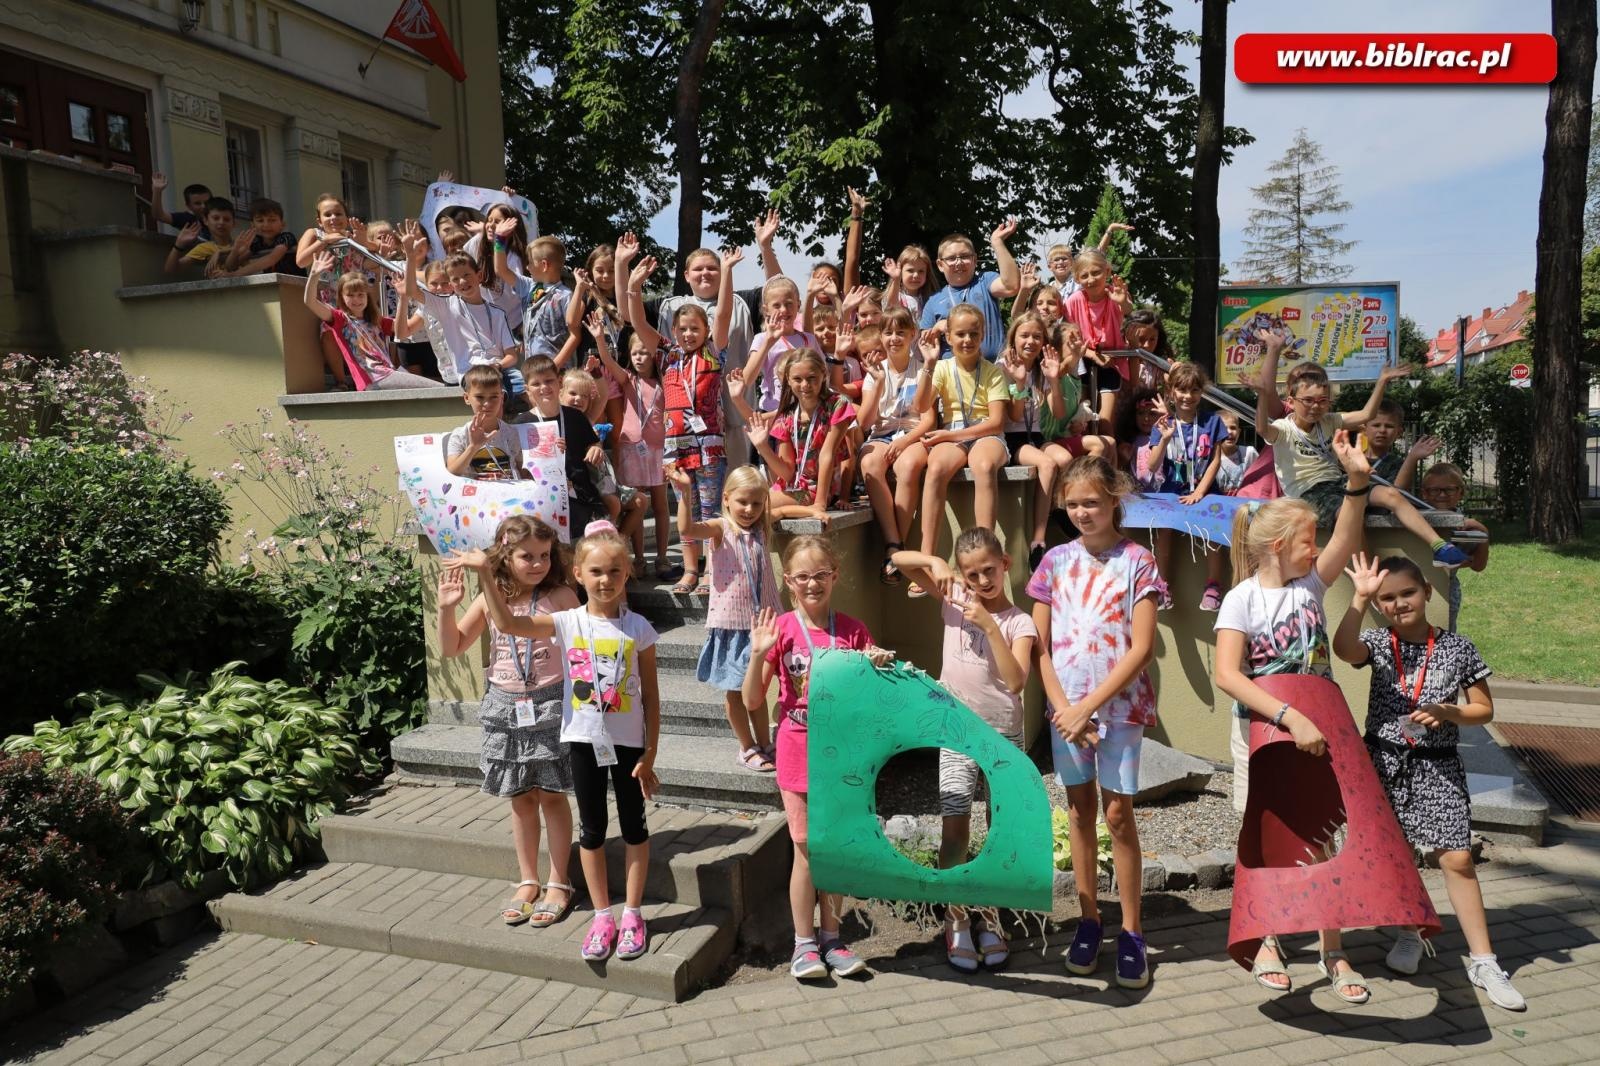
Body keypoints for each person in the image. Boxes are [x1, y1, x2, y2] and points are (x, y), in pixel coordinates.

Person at [448, 521, 661, 963]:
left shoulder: (639, 628)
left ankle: (632, 914)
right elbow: (504, 622)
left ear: (628, 574)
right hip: (580, 740)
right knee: (591, 828)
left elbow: (653, 698)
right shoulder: (566, 621)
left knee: (635, 826)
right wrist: (485, 574)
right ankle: (602, 915)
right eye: (596, 572)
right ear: (580, 574)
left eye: (615, 572)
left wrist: (651, 752)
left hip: (626, 746)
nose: (606, 580)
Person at [1213, 430, 1376, 1003]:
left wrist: (1356, 483)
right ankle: (1267, 938)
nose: (1317, 548)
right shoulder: (1242, 599)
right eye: (1309, 540)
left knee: (1324, 830)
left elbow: (1347, 536)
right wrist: (1288, 718)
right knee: (1266, 832)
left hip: (1318, 728)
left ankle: (1334, 948)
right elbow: (1229, 675)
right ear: (1279, 544)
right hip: (1264, 731)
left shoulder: (1310, 585)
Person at [1332, 554, 1525, 1011]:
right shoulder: (1378, 642)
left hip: (1438, 765)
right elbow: (1343, 649)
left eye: (1407, 593)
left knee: (1456, 858)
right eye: (1388, 598)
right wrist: (1358, 597)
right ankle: (1410, 931)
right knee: (1397, 855)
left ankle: (1483, 960)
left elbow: (1484, 709)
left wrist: (1447, 712)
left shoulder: (1459, 648)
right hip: (1384, 765)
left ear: (1427, 593)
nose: (1399, 604)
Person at [1028, 455, 1163, 990]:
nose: (1083, 511)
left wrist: (1089, 707)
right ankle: (1089, 920)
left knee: (1119, 814)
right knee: (1080, 812)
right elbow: (1037, 645)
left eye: (1092, 501)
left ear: (1114, 501)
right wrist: (1066, 708)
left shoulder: (1139, 562)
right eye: (1073, 503)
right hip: (1067, 714)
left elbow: (1143, 647)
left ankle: (1132, 931)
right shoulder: (1054, 562)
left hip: (1121, 711)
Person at [743, 536, 894, 981]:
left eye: (821, 574)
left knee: (837, 849)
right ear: (789, 581)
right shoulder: (783, 630)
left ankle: (833, 938)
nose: (813, 583)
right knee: (807, 850)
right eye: (803, 576)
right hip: (798, 753)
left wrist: (877, 668)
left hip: (844, 756)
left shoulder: (853, 630)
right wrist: (756, 655)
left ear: (835, 576)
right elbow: (753, 698)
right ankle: (804, 944)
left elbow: (872, 703)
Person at [892, 530, 1037, 974]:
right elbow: (899, 558)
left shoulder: (1020, 623)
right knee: (954, 828)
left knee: (998, 832)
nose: (981, 580)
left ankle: (991, 918)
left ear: (1006, 564)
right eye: (972, 574)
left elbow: (1016, 681)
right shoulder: (953, 599)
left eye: (989, 571)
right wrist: (937, 564)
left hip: (1001, 740)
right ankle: (956, 921)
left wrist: (991, 625)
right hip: (956, 734)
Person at [437, 516, 578, 929]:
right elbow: (452, 647)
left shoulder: (563, 595)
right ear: (505, 554)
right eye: (526, 556)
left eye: (544, 555)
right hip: (504, 705)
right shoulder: (491, 594)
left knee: (552, 794)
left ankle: (559, 880)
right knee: (520, 797)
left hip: (550, 702)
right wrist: (446, 609)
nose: (537, 563)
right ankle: (528, 878)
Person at [1255, 332, 1469, 569]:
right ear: (1291, 399)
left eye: (1322, 401)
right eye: (1308, 400)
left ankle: (1441, 547)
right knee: (1349, 517)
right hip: (1310, 493)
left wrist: (1381, 382)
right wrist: (1263, 395)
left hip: (1338, 482)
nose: (1315, 407)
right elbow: (1262, 428)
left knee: (1390, 494)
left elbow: (1367, 415)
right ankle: (1370, 575)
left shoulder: (1329, 420)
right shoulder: (1284, 428)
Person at [624, 250, 739, 595]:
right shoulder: (667, 354)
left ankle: (709, 572)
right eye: (683, 329)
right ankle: (689, 571)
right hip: (677, 448)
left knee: (708, 510)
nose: (689, 334)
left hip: (709, 446)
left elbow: (725, 313)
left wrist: (728, 271)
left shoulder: (713, 353)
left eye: (695, 329)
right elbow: (639, 325)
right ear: (673, 330)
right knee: (686, 509)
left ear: (705, 331)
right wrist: (634, 287)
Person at [666, 463, 778, 772]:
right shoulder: (720, 528)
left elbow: (785, 504)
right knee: (735, 691)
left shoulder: (761, 528)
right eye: (743, 501)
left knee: (755, 692)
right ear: (726, 498)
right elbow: (687, 530)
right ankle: (747, 747)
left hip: (761, 625)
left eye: (757, 503)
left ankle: (765, 743)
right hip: (732, 626)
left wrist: (817, 511)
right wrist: (686, 494)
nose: (750, 509)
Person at [910, 304, 1008, 585]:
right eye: (961, 334)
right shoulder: (940, 367)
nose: (967, 340)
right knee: (937, 466)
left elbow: (996, 423)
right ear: (949, 337)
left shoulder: (993, 372)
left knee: (984, 464)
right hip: (953, 433)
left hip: (984, 435)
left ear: (982, 335)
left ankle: (985, 555)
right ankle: (926, 559)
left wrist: (947, 436)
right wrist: (928, 365)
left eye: (973, 334)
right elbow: (920, 405)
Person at [401, 223, 523, 407]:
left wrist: (498, 365)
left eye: (466, 275)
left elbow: (511, 356)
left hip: (498, 370)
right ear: (451, 284)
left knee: (526, 387)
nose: (463, 281)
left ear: (479, 276)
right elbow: (411, 290)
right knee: (491, 389)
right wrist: (410, 257)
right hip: (472, 375)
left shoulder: (497, 313)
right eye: (455, 279)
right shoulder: (446, 306)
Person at [589, 318, 673, 581]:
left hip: (658, 450)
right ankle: (638, 559)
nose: (639, 357)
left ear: (654, 356)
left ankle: (662, 556)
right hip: (629, 449)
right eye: (635, 353)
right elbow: (609, 363)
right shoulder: (628, 380)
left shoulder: (664, 382)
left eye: (645, 353)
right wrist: (600, 338)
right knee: (636, 503)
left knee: (660, 504)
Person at [857, 311, 935, 585]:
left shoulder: (923, 368)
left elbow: (928, 420)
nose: (894, 339)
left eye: (901, 332)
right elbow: (864, 422)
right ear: (880, 336)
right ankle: (896, 543)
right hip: (882, 435)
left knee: (908, 465)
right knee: (869, 464)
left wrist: (905, 441)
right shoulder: (875, 374)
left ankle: (895, 555)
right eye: (888, 333)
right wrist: (877, 384)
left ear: (912, 335)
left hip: (912, 435)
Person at [736, 348, 855, 524]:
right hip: (792, 487)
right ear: (788, 381)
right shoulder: (787, 416)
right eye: (797, 379)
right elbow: (786, 472)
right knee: (741, 501)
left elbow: (827, 453)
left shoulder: (837, 404)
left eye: (811, 378)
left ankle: (783, 512)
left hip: (819, 488)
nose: (805, 385)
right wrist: (763, 447)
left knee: (752, 506)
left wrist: (820, 503)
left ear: (823, 374)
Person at [1148, 361, 1231, 610]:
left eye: (1194, 390)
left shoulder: (1212, 422)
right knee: (1163, 529)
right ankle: (1162, 585)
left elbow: (1215, 460)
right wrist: (1163, 440)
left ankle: (1214, 585)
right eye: (1182, 390)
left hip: (1205, 490)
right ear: (1172, 392)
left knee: (1212, 527)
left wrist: (1199, 492)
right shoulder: (1164, 423)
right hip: (1172, 490)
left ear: (1201, 392)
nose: (1188, 396)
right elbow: (1152, 466)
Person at [999, 312, 1079, 569]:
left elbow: (1057, 413)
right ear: (1014, 339)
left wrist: (1054, 380)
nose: (1030, 341)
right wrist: (1020, 382)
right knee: (1047, 465)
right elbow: (1012, 414)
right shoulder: (1004, 365)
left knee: (1066, 459)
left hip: (1036, 435)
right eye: (1024, 335)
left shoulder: (1042, 368)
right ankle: (1039, 541)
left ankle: (1055, 506)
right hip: (1013, 437)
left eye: (1037, 336)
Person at [302, 251, 433, 391]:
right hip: (373, 379)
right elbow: (310, 301)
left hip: (388, 375)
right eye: (350, 295)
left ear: (367, 296)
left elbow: (406, 328)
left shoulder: (376, 320)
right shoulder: (340, 318)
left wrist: (418, 303)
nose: (356, 300)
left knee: (436, 390)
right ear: (342, 297)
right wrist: (314, 275)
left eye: (360, 295)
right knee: (438, 389)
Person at [521, 356, 606, 535]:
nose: (544, 387)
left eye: (549, 381)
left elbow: (592, 441)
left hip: (581, 497)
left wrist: (595, 448)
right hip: (542, 502)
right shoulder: (522, 424)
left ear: (559, 382)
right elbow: (518, 464)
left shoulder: (575, 416)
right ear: (527, 389)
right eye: (536, 384)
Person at [918, 223, 1021, 362]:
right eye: (951, 258)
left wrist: (997, 243)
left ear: (974, 260)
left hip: (993, 371)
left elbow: (1011, 286)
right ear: (940, 265)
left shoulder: (985, 281)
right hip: (952, 376)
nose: (959, 262)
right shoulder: (933, 301)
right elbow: (926, 345)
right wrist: (938, 328)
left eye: (965, 256)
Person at [1062, 248, 1134, 430]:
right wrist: (1092, 355)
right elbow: (1070, 338)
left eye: (1096, 273)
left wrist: (1122, 301)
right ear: (1077, 278)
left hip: (1112, 361)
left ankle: (1108, 454)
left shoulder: (1115, 295)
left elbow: (1127, 310)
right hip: (1083, 360)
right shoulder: (1073, 301)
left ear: (1107, 272)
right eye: (1084, 275)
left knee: (1105, 422)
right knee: (1082, 418)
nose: (1091, 280)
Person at [1418, 462, 1490, 632]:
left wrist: (1483, 531)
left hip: (1447, 590)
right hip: (1415, 586)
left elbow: (1478, 565)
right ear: (1424, 493)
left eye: (1449, 489)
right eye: (1434, 490)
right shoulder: (1414, 517)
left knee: (1444, 636)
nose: (1442, 495)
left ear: (1461, 492)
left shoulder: (1465, 526)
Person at [743, 282, 819, 414]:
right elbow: (748, 379)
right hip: (773, 411)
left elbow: (821, 373)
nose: (784, 310)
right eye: (776, 305)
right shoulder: (762, 339)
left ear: (798, 305)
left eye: (789, 303)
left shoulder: (808, 339)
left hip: (805, 411)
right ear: (766, 309)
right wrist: (768, 342)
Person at [446, 365, 528, 480]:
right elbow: (452, 472)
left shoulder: (511, 433)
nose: (487, 404)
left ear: (502, 397)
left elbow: (521, 469)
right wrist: (473, 447)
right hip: (475, 496)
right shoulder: (460, 435)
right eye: (480, 397)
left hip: (511, 494)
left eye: (494, 397)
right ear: (466, 398)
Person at [1363, 399, 1437, 491]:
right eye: (1376, 425)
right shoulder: (1349, 460)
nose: (1382, 430)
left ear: (1399, 433)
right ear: (1364, 429)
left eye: (1389, 426)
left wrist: (1412, 458)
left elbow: (1396, 494)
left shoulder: (1399, 465)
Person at [218, 198, 302, 278]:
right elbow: (231, 267)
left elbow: (271, 258)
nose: (266, 225)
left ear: (282, 225)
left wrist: (235, 274)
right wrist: (235, 250)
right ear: (253, 225)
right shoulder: (258, 241)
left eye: (272, 220)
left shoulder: (286, 237)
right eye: (260, 220)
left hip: (297, 286)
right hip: (274, 287)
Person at [163, 196, 237, 276]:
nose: (221, 222)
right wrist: (178, 245)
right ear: (205, 220)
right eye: (216, 218)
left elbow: (245, 249)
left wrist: (220, 252)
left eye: (226, 219)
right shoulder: (205, 248)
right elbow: (170, 270)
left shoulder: (242, 242)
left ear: (234, 223)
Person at [882, 243, 937, 319]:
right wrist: (896, 279)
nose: (916, 275)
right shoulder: (897, 295)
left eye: (921, 271)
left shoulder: (929, 298)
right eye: (910, 270)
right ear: (900, 271)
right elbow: (891, 306)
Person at [1214, 410, 1259, 496]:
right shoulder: (1211, 458)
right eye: (1224, 428)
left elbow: (1261, 479)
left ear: (1239, 432)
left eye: (1233, 428)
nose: (1229, 432)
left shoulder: (1249, 453)